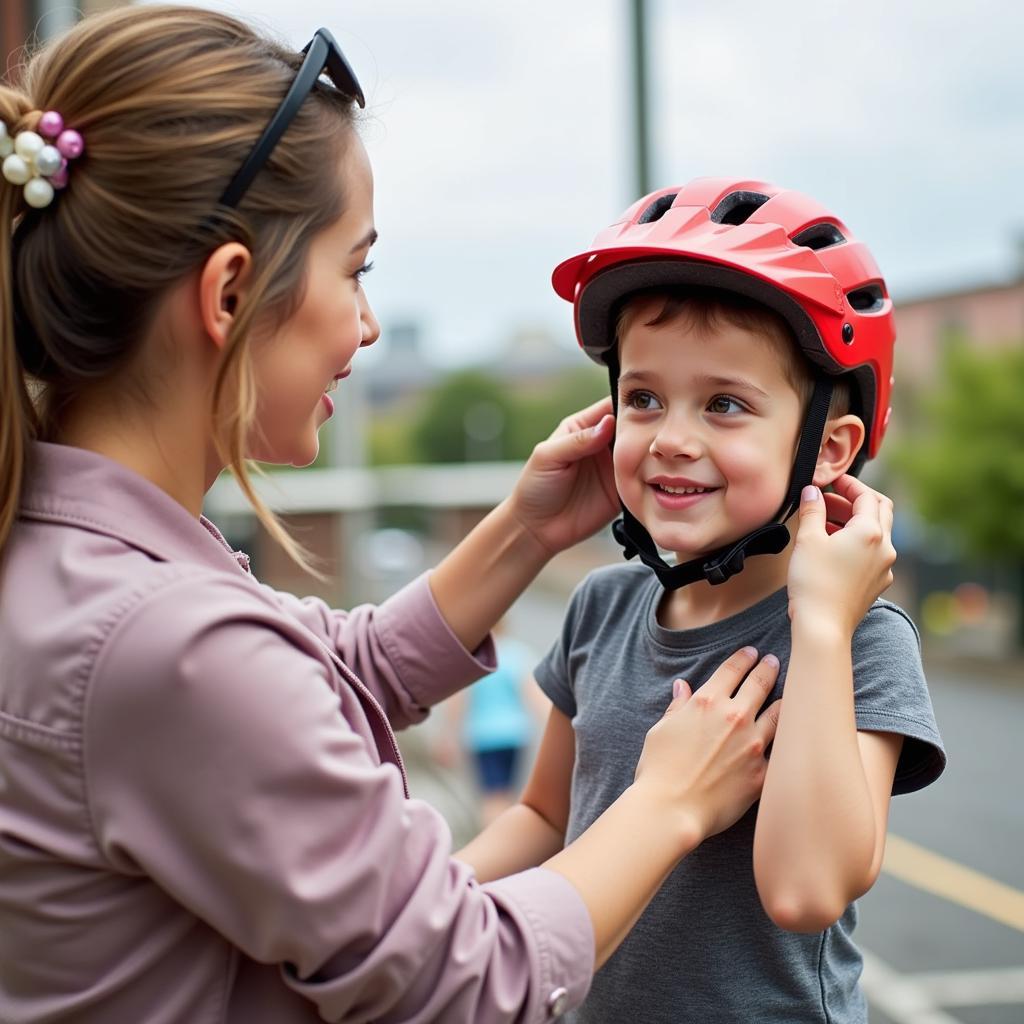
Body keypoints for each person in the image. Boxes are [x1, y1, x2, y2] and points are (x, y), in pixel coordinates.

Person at [0, 10, 802, 1022]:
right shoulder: (162, 638)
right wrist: (669, 801)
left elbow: (323, 684)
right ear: (232, 291)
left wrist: (526, 527)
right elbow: (464, 980)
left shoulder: (65, 558)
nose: (368, 325)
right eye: (355, 269)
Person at [453, 179, 947, 1023]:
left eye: (724, 404)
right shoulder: (603, 609)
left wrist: (820, 626)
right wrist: (421, 901)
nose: (672, 437)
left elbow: (806, 890)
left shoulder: (860, 636)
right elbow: (544, 814)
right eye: (643, 397)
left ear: (830, 447)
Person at [433, 620, 548, 826]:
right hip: (515, 735)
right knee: (505, 793)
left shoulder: (473, 657)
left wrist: (447, 737)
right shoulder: (517, 654)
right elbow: (535, 696)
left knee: (492, 796)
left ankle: (493, 838)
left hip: (483, 737)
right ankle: (506, 837)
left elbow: (458, 702)